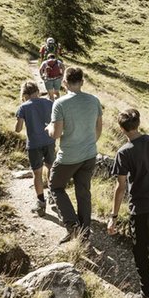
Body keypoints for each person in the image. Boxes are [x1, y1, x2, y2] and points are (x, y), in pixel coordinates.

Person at [107, 108, 149, 298]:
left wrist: (113, 216)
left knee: (139, 249)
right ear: (139, 122)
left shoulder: (124, 152)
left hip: (140, 206)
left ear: (121, 128)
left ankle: (147, 294)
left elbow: (121, 186)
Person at [48, 66, 102, 244]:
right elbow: (98, 128)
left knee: (56, 186)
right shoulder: (94, 100)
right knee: (83, 192)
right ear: (82, 82)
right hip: (89, 154)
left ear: (64, 82)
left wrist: (49, 128)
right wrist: (88, 143)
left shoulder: (60, 104)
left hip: (69, 156)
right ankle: (85, 232)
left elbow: (56, 134)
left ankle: (72, 225)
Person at [15, 80, 55, 216]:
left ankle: (41, 203)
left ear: (24, 94)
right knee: (50, 168)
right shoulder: (49, 103)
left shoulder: (23, 107)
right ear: (37, 91)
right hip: (49, 141)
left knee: (37, 173)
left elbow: (18, 129)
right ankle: (53, 196)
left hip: (34, 144)